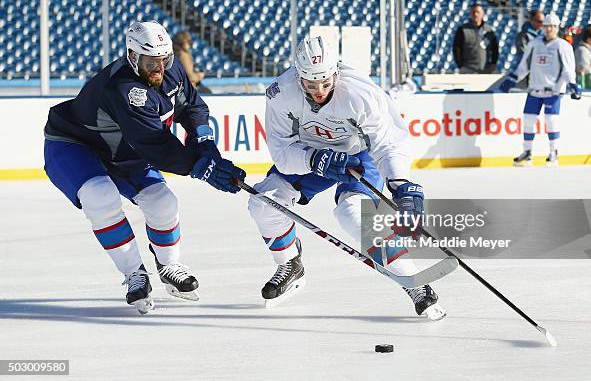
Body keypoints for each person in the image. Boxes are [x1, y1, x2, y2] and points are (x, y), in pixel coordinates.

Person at [43, 21, 245, 314]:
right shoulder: (124, 88)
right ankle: (133, 273)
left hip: (123, 149)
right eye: (152, 62)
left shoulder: (170, 69)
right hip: (74, 145)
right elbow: (157, 145)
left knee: (163, 202)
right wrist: (203, 168)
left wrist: (203, 141)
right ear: (132, 56)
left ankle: (169, 265)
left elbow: (192, 107)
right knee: (100, 196)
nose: (159, 68)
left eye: (165, 60)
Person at [246, 36, 446, 320]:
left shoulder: (361, 93)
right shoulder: (280, 93)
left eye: (326, 83)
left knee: (353, 215)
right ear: (298, 75)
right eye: (310, 84)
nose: (319, 91)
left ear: (336, 73)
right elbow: (280, 151)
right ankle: (290, 264)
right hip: (313, 157)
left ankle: (415, 281)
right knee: (263, 203)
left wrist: (401, 185)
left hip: (359, 155)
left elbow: (388, 142)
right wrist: (313, 159)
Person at [500, 13, 581, 166]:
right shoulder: (534, 44)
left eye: (552, 26)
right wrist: (513, 79)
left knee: (551, 120)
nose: (549, 29)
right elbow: (525, 65)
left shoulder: (563, 46)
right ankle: (527, 152)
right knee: (528, 119)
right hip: (535, 89)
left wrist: (573, 84)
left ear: (557, 28)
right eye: (546, 26)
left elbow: (568, 69)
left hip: (553, 91)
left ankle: (553, 152)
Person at [452, 3, 499, 73]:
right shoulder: (463, 30)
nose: (475, 14)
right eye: (473, 12)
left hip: (485, 69)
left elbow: (495, 49)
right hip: (468, 69)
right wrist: (461, 65)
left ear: (483, 14)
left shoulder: (489, 30)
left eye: (478, 12)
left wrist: (493, 64)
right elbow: (457, 48)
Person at [512, 9, 545, 89]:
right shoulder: (523, 35)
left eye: (543, 22)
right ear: (531, 20)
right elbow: (524, 56)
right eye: (539, 21)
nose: (542, 24)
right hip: (525, 74)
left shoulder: (543, 35)